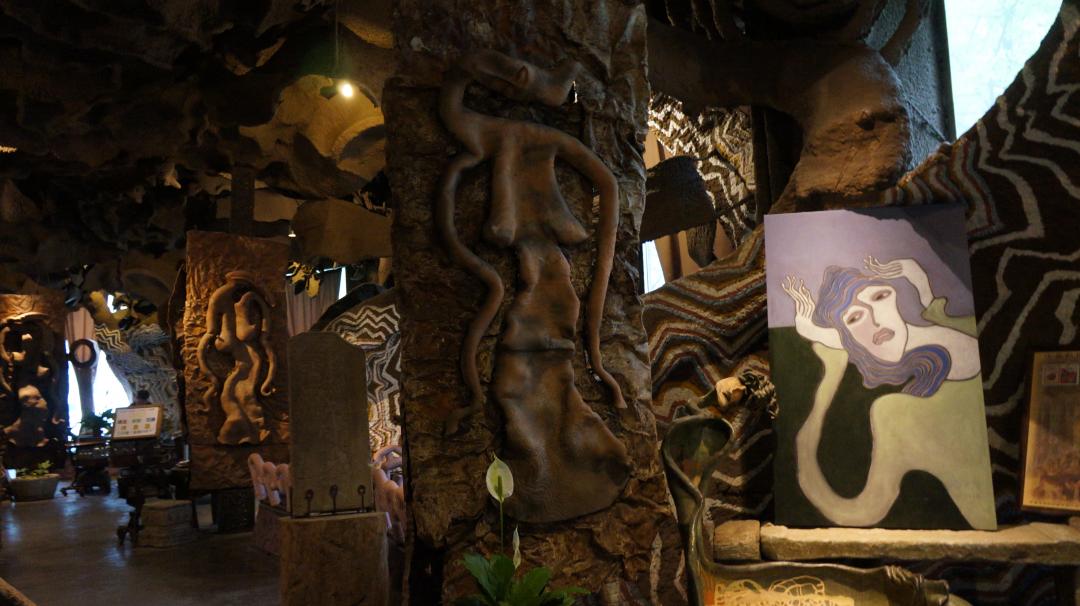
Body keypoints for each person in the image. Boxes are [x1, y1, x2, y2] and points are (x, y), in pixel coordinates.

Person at [780, 256, 996, 529]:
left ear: (897, 298)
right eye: (855, 317)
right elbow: (860, 512)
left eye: (880, 296)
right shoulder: (894, 415)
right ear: (849, 340)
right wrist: (807, 437)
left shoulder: (945, 321)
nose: (875, 321)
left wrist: (918, 279)